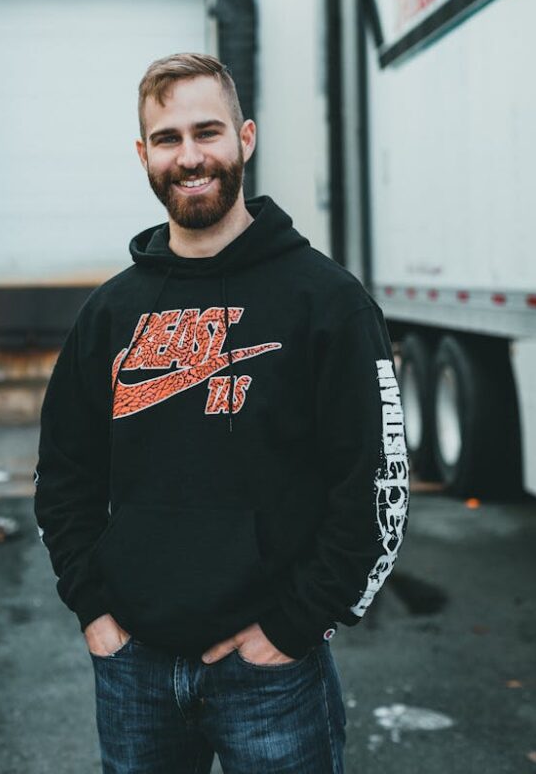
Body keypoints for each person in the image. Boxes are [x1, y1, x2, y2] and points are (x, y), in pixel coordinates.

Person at [33, 52, 410, 774]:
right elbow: (64, 473)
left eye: (206, 132)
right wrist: (95, 611)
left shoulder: (325, 301)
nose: (189, 157)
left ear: (245, 137)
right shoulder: (110, 312)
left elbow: (374, 481)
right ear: (143, 155)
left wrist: (294, 627)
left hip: (270, 671)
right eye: (168, 139)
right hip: (132, 666)